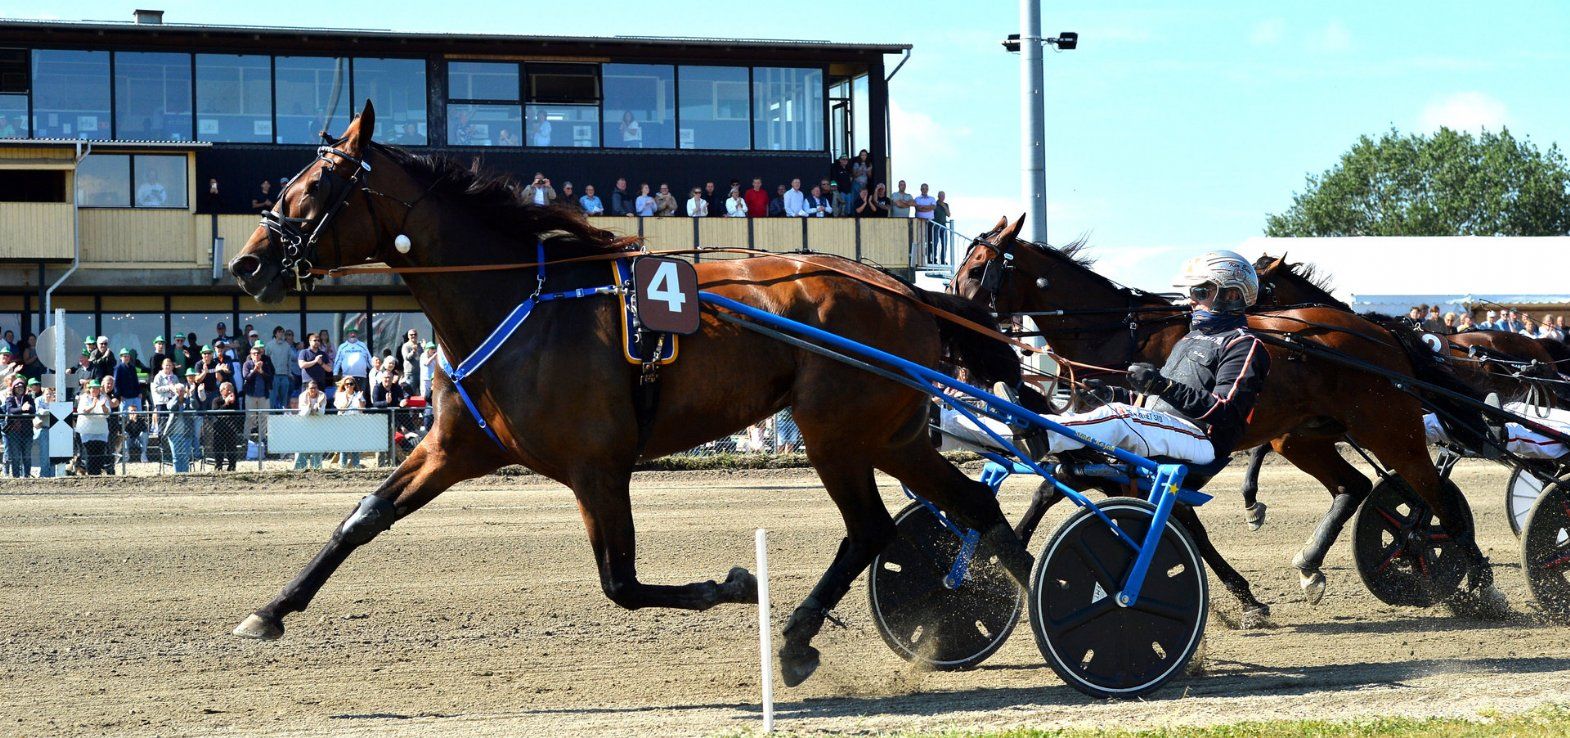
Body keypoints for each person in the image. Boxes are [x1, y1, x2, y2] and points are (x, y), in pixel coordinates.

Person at [942, 251, 1270, 473]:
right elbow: (1154, 403)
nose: (1190, 300)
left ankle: (1039, 437)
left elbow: (1227, 411)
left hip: (1200, 441)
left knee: (1116, 418)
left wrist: (1162, 385)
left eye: (1199, 292)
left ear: (1231, 295)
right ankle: (949, 428)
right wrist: (1114, 393)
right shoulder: (1190, 339)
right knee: (1095, 413)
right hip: (1166, 429)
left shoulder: (1244, 345)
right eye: (1192, 292)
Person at [75, 379, 112, 475]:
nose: (95, 390)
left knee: (99, 454)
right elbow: (84, 411)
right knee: (89, 455)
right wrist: (93, 405)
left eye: (97, 388)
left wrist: (103, 406)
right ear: (89, 389)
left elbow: (107, 413)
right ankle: (90, 474)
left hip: (100, 431)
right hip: (87, 431)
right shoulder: (84, 398)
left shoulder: (103, 398)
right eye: (93, 388)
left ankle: (97, 474)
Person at [241, 342, 273, 441]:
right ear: (251, 355)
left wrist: (261, 371)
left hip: (263, 395)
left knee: (264, 418)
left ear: (260, 355)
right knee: (250, 418)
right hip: (251, 395)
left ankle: (262, 439)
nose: (256, 355)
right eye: (254, 353)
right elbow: (246, 377)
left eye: (258, 353)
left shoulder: (265, 364)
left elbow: (270, 378)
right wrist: (255, 370)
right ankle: (246, 439)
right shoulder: (247, 364)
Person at [293, 380, 328, 470]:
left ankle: (316, 467)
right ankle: (300, 468)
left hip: (317, 425)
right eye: (311, 388)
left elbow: (321, 413)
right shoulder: (302, 396)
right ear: (307, 389)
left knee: (317, 447)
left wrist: (316, 407)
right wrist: (311, 407)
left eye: (315, 388)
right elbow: (304, 414)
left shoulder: (322, 395)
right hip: (304, 425)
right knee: (301, 447)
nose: (313, 390)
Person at [333, 376, 366, 468]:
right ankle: (342, 466)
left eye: (351, 384)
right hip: (343, 423)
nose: (349, 386)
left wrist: (359, 399)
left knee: (355, 445)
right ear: (344, 385)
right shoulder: (340, 395)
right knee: (344, 446)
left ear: (354, 385)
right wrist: (347, 401)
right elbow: (340, 408)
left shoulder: (358, 394)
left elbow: (362, 409)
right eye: (347, 384)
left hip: (355, 423)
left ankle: (356, 465)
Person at [3, 377, 34, 477]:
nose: (19, 388)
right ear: (13, 388)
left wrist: (21, 409)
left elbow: (33, 410)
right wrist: (23, 408)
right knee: (15, 456)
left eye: (21, 386)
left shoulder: (28, 398)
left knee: (27, 455)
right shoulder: (10, 399)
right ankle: (16, 476)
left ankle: (27, 476)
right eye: (17, 387)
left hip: (27, 432)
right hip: (14, 432)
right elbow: (10, 410)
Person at [32, 382, 55, 478]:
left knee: (54, 454)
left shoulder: (55, 401)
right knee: (44, 454)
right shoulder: (38, 400)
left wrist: (51, 408)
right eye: (47, 394)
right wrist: (52, 410)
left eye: (51, 394)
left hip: (54, 430)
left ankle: (53, 474)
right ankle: (44, 475)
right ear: (43, 394)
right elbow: (40, 412)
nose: (49, 395)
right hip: (43, 429)